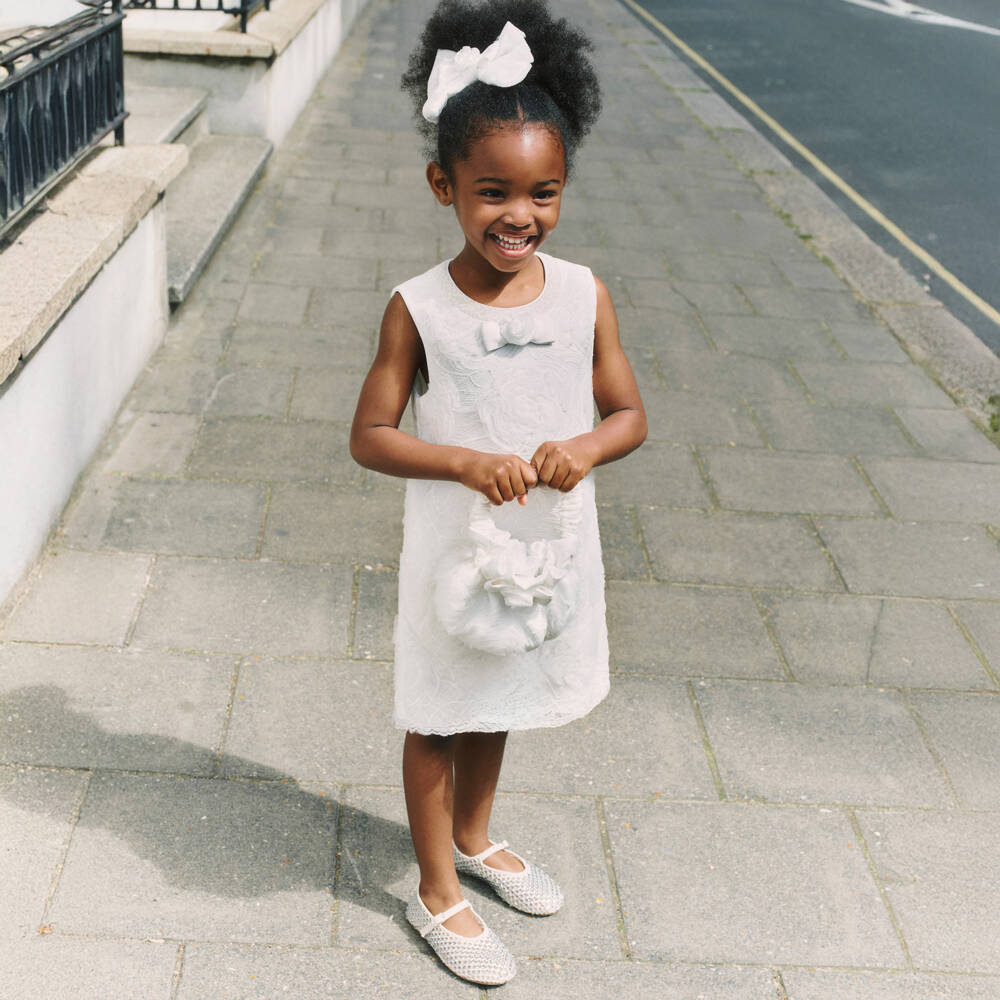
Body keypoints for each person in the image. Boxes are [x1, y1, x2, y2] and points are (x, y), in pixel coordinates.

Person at [349, 0, 646, 985]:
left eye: (544, 192)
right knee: (439, 707)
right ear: (445, 186)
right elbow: (371, 436)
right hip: (454, 546)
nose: (520, 215)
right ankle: (433, 890)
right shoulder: (417, 307)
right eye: (492, 193)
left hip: (546, 542)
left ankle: (473, 837)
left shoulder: (584, 293)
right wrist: (465, 460)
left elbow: (628, 414)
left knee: (504, 686)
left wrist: (584, 445)